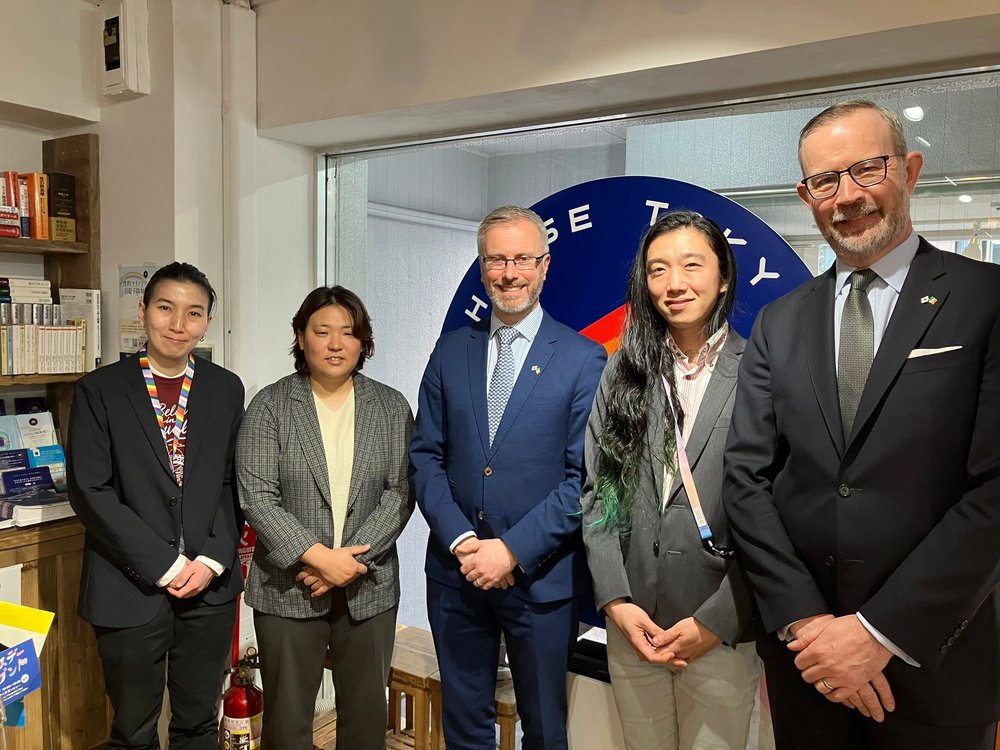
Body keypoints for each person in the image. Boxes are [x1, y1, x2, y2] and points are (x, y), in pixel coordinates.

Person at [724, 99, 1000, 750]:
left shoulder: (985, 299)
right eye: (824, 181)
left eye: (866, 170)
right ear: (805, 194)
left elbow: (994, 490)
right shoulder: (779, 321)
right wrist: (806, 625)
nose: (846, 197)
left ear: (909, 169)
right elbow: (746, 481)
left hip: (935, 662)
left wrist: (876, 633)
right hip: (807, 666)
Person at [410, 205, 607, 749]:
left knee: (545, 728)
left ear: (545, 266)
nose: (509, 272)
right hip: (457, 575)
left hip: (540, 579)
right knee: (465, 727)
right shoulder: (452, 350)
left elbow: (584, 479)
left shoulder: (583, 358)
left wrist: (511, 551)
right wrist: (464, 542)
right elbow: (425, 456)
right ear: (481, 267)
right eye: (496, 259)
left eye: (522, 258)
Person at [582, 210, 761, 749]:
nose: (674, 283)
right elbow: (599, 496)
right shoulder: (624, 369)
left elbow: (780, 511)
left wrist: (721, 618)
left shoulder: (760, 371)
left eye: (691, 264)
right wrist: (616, 601)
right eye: (658, 270)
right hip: (634, 626)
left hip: (720, 632)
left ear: (724, 277)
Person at [68, 262, 245, 749]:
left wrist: (211, 559)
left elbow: (234, 484)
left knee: (198, 723)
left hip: (209, 589)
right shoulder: (99, 390)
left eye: (194, 313)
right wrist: (165, 565)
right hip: (129, 587)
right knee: (133, 731)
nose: (177, 324)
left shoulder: (226, 388)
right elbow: (90, 490)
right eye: (166, 308)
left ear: (207, 321)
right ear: (143, 311)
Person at [237, 286, 413, 750]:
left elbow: (400, 492)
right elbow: (256, 497)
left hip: (368, 584)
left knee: (365, 720)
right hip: (287, 586)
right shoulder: (270, 405)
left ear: (363, 342)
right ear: (301, 337)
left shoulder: (392, 406)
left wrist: (351, 562)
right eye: (322, 331)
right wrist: (318, 558)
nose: (336, 344)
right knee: (288, 723)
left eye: (348, 333)